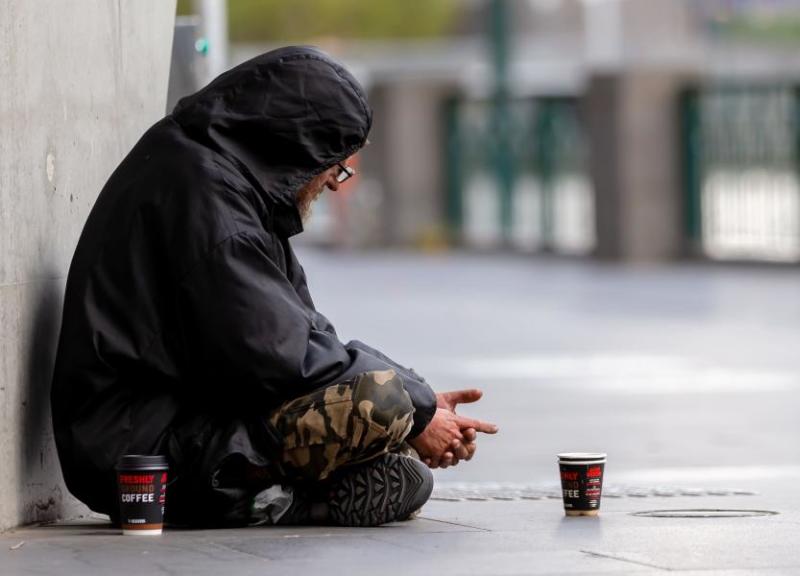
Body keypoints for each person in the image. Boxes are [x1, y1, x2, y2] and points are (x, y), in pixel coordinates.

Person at [50, 46, 497, 528]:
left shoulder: (216, 179)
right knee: (380, 405)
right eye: (334, 165)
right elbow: (284, 357)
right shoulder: (210, 207)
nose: (332, 182)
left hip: (177, 420)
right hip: (138, 456)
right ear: (297, 147)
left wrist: (420, 399)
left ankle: (290, 490)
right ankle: (285, 500)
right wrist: (414, 409)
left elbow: (307, 333)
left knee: (388, 417)